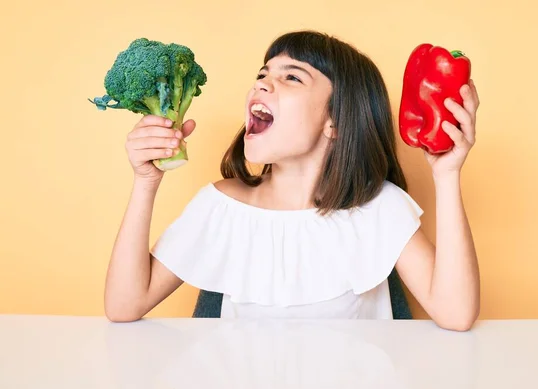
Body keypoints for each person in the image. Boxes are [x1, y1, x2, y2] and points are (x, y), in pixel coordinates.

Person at [104, 30, 481, 331]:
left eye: (291, 77)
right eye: (262, 74)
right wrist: (145, 181)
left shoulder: (378, 208)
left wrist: (447, 176)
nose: (262, 84)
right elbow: (124, 305)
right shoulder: (220, 207)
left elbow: (456, 314)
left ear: (335, 121)